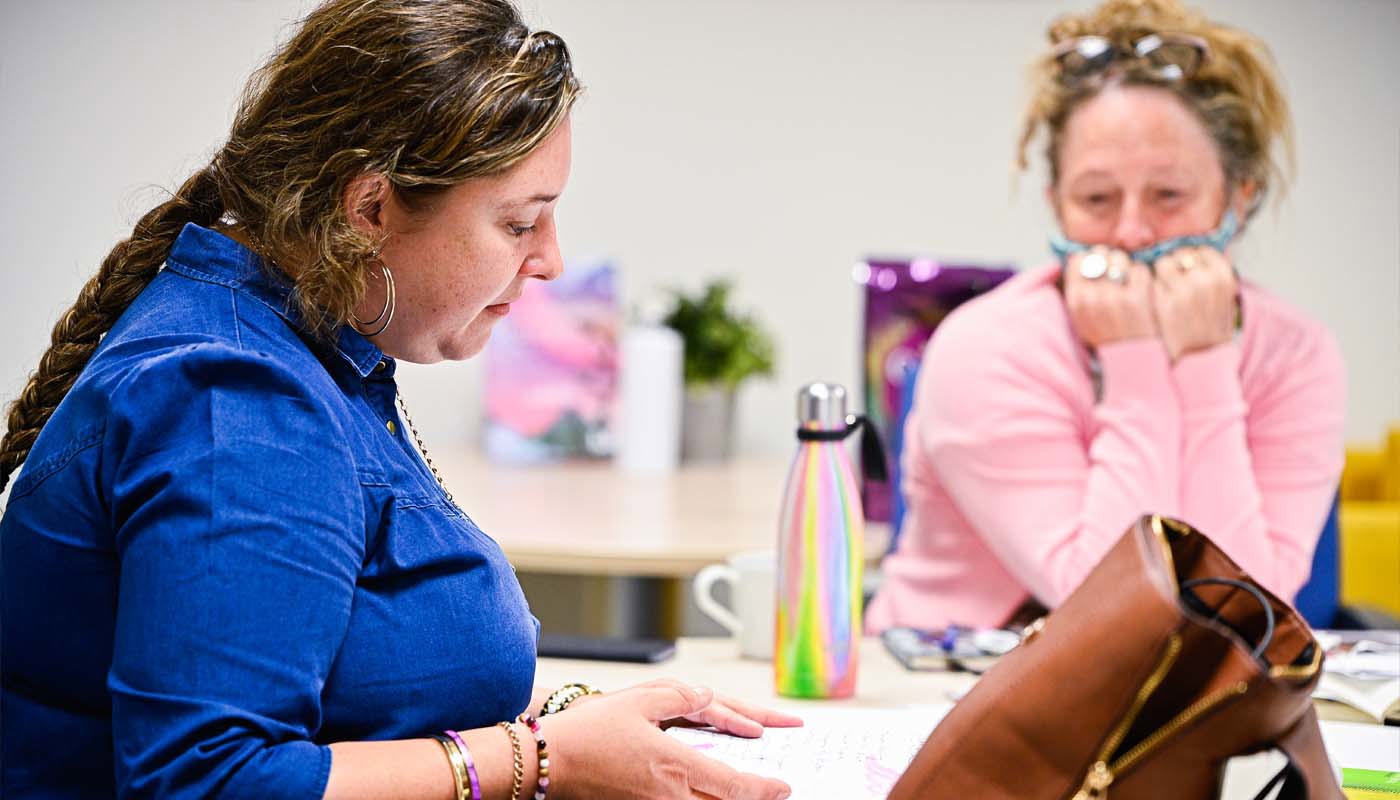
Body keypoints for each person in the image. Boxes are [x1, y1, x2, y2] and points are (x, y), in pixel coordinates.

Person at [0, 2, 798, 798]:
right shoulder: (236, 405)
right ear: (370, 208)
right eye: (520, 223)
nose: (551, 260)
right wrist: (547, 759)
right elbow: (211, 782)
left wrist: (565, 724)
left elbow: (355, 670)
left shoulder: (311, 349)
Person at [867, 0, 1345, 632]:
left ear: (1238, 197)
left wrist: (1203, 365)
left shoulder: (1295, 353)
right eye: (1096, 198)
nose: (1130, 232)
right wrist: (1137, 362)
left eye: (1169, 195)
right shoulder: (985, 347)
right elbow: (1105, 600)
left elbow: (1244, 607)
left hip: (1189, 698)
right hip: (946, 690)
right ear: (1056, 205)